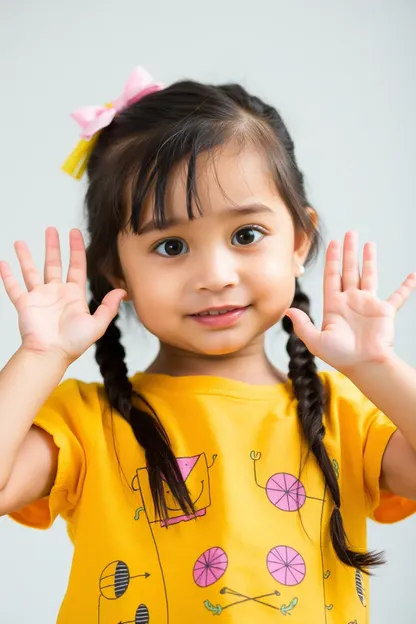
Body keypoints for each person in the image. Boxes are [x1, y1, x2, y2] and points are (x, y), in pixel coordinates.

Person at [0, 66, 415, 624]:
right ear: (116, 271)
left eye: (246, 235)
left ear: (299, 241)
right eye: (170, 245)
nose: (215, 275)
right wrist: (40, 357)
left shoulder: (349, 416)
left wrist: (378, 367)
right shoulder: (84, 423)